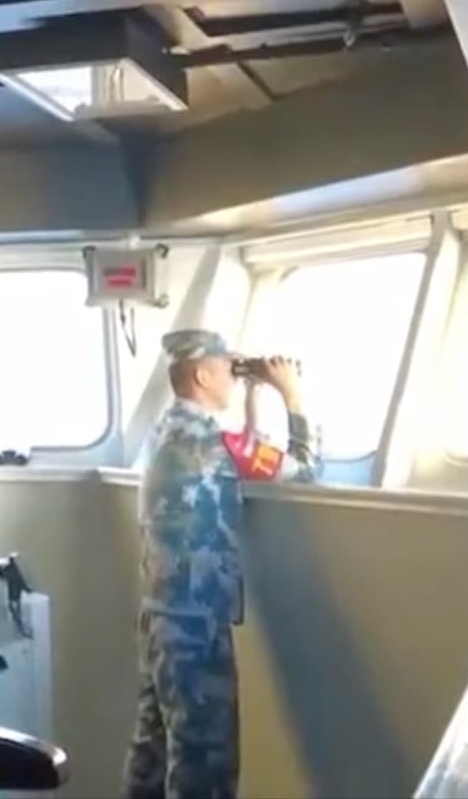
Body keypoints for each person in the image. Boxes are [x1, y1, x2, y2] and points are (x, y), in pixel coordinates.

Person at [124, 328, 320, 798]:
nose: (233, 376)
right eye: (227, 368)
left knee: (152, 756)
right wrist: (291, 395)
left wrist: (252, 395)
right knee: (205, 765)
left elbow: (242, 454)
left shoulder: (164, 430)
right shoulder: (220, 443)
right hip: (196, 624)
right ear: (202, 375)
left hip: (158, 617)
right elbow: (305, 469)